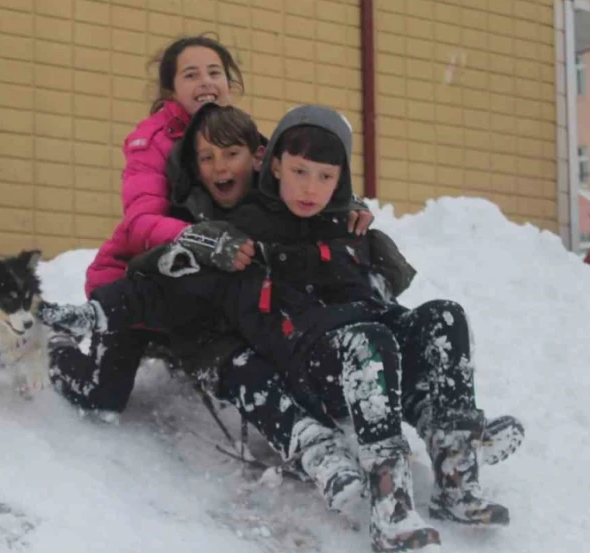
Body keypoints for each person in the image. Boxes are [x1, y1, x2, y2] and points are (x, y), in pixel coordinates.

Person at [42, 104, 519, 552]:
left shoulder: (345, 226)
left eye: (325, 177)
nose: (311, 188)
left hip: (371, 346)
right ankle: (389, 508)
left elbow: (386, 290)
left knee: (445, 316)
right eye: (299, 173)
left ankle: (456, 473)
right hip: (312, 362)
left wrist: (366, 240)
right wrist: (97, 313)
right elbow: (167, 283)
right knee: (369, 342)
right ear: (273, 166)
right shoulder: (243, 233)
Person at [47, 34, 377, 515]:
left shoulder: (247, 138)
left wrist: (345, 207)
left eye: (215, 72)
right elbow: (140, 224)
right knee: (103, 398)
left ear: (231, 83)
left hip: (217, 280)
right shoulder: (151, 142)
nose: (206, 81)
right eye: (191, 74)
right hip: (140, 278)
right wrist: (200, 237)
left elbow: (300, 180)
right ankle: (59, 347)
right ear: (169, 90)